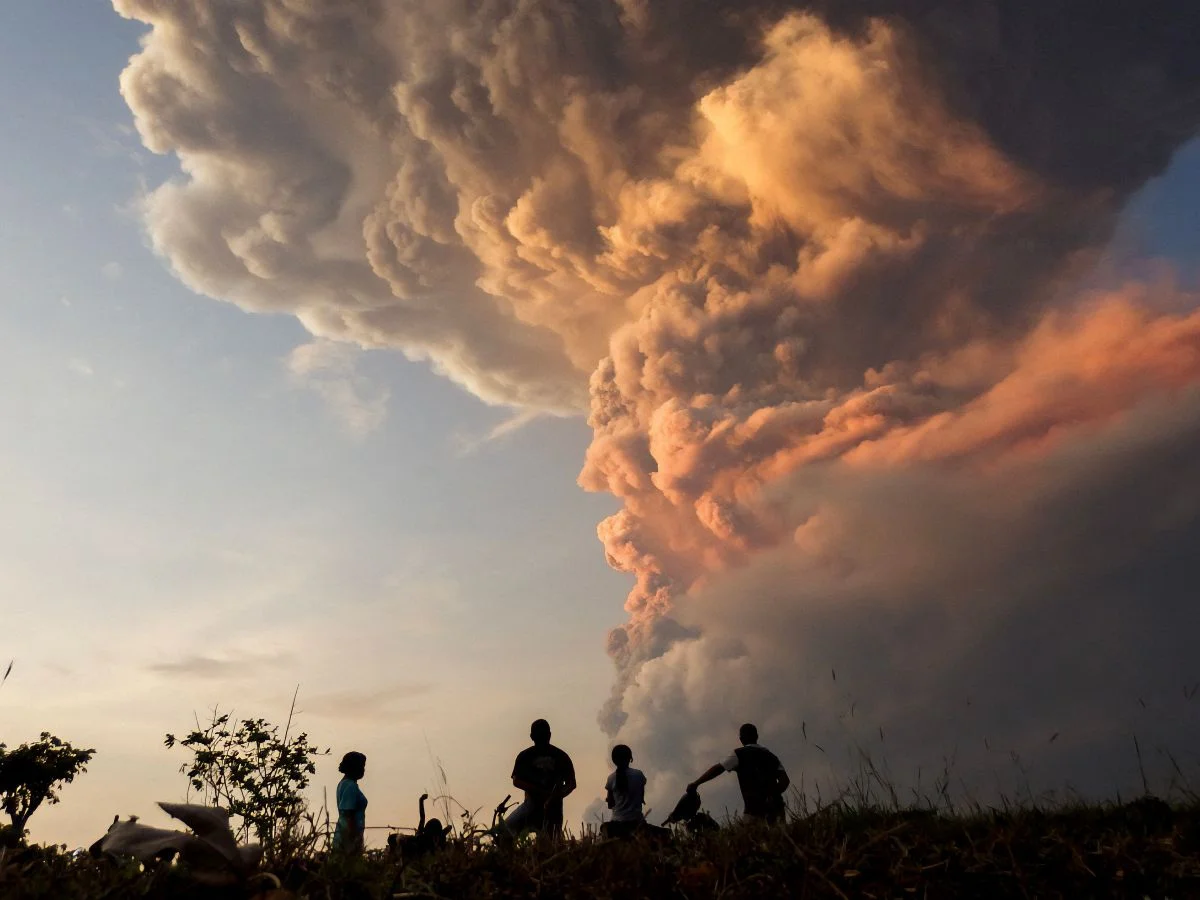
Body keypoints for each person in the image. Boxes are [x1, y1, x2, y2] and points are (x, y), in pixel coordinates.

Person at [687, 723, 789, 823]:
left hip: (753, 811)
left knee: (750, 838)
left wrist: (696, 783)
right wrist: (771, 795)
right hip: (776, 808)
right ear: (757, 736)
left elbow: (718, 769)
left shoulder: (739, 754)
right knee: (779, 837)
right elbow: (785, 781)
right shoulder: (771, 756)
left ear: (741, 739)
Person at [504, 718, 576, 838]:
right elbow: (571, 784)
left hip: (546, 808)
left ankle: (512, 856)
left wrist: (555, 796)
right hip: (538, 806)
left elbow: (516, 781)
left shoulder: (525, 755)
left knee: (506, 831)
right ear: (550, 735)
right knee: (551, 845)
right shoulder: (561, 755)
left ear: (531, 736)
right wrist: (549, 794)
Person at [388, 792, 450, 861]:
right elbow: (422, 818)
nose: (435, 839)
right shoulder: (422, 838)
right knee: (394, 839)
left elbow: (422, 818)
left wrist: (421, 800)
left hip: (419, 850)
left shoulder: (438, 836)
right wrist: (421, 800)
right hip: (415, 848)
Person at [602, 744, 646, 839]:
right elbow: (641, 797)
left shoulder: (611, 778)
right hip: (637, 822)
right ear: (630, 758)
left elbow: (610, 805)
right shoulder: (639, 775)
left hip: (617, 824)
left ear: (614, 760)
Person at [332, 751, 368, 852]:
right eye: (361, 766)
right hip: (348, 839)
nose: (363, 770)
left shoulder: (343, 784)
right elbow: (348, 814)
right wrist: (353, 840)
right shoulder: (350, 786)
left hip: (345, 836)